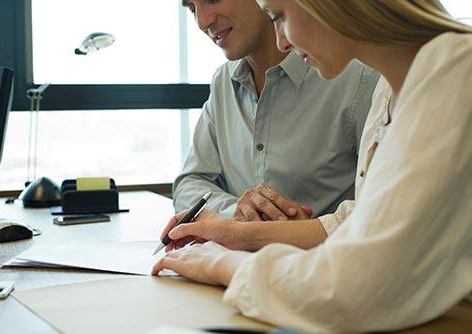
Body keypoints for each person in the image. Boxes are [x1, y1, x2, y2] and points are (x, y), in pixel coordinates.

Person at [153, 0, 472, 332]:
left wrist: (226, 265)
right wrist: (239, 235)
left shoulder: (455, 73)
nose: (281, 42)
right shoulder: (390, 91)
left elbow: (360, 289)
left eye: (280, 17)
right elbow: (364, 217)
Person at [174, 0, 379, 221]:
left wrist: (300, 231)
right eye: (192, 9)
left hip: (327, 254)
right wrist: (238, 211)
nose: (202, 22)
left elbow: (386, 209)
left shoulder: (360, 78)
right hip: (238, 255)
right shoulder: (223, 81)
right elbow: (189, 183)